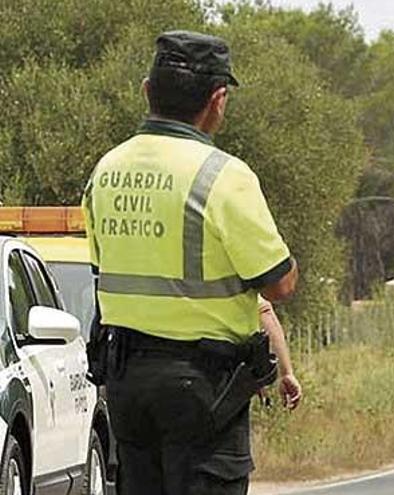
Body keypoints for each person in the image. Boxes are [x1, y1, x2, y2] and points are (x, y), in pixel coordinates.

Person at [82, 30, 300, 494]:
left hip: (126, 383)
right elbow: (279, 285)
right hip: (203, 389)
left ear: (147, 91)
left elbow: (102, 264)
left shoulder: (106, 169)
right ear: (218, 99)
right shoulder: (223, 174)